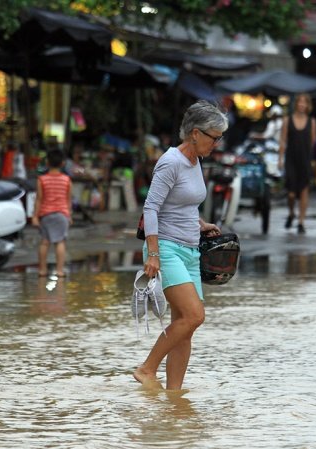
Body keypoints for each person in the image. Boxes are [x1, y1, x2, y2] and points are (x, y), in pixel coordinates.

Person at [134, 100, 226, 391]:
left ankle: (174, 397)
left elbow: (182, 206)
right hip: (167, 249)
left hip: (190, 250)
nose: (217, 144)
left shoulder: (196, 161)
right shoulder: (170, 162)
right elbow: (151, 208)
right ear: (196, 133)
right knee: (194, 315)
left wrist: (202, 225)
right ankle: (147, 369)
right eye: (215, 137)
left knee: (184, 330)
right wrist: (154, 254)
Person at [279, 93, 316, 234]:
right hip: (291, 159)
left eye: (304, 102)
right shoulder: (287, 120)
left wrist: (315, 161)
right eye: (300, 102)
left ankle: (301, 221)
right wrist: (280, 159)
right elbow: (283, 140)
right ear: (296, 104)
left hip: (306, 159)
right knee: (291, 194)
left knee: (304, 190)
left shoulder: (311, 122)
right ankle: (291, 213)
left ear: (308, 105)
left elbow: (314, 143)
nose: (302, 105)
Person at [32, 149, 73, 277]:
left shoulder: (41, 179)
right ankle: (59, 271)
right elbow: (68, 200)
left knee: (45, 242)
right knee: (60, 242)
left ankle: (42, 270)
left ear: (47, 163)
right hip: (62, 214)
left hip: (46, 214)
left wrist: (35, 216)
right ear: (63, 163)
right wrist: (69, 216)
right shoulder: (67, 180)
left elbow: (39, 199)